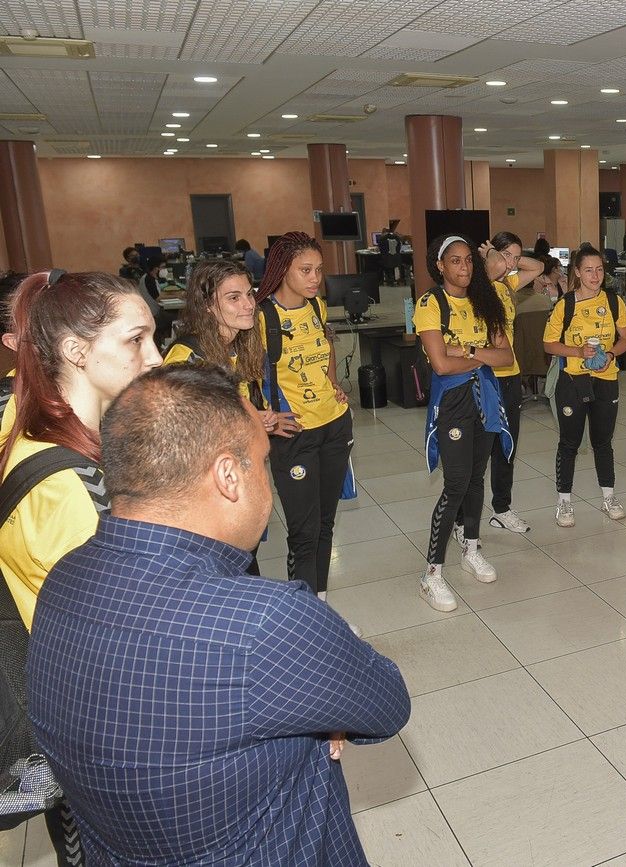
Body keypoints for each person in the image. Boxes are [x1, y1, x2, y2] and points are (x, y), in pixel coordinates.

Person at [25, 364, 410, 866]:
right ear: (229, 476)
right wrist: (321, 706)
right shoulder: (264, 624)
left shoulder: (62, 580)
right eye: (262, 461)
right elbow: (387, 703)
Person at [0, 270, 161, 864]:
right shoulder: (69, 486)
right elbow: (120, 646)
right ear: (74, 350)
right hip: (99, 719)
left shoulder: (21, 422)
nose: (156, 355)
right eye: (136, 339)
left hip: (58, 697)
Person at [413, 235, 514, 613]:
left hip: (486, 396)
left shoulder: (485, 300)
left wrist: (468, 352)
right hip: (452, 401)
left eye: (469, 260)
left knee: (476, 479)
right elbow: (440, 364)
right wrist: (480, 357)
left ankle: (471, 547)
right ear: (440, 265)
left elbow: (505, 355)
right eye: (455, 261)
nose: (465, 268)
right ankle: (432, 574)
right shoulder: (430, 303)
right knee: (455, 482)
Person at [164, 258, 282, 574]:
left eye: (249, 293)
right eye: (233, 298)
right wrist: (248, 423)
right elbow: (175, 437)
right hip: (204, 496)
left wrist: (259, 420)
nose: (248, 305)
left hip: (238, 483)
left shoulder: (241, 348)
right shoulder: (187, 358)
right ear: (207, 307)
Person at [253, 232, 352, 602]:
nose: (315, 278)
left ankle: (319, 606)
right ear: (282, 270)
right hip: (294, 434)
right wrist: (266, 415)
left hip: (333, 425)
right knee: (303, 531)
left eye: (319, 270)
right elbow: (242, 377)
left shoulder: (316, 307)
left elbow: (324, 347)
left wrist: (332, 381)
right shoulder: (261, 317)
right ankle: (303, 614)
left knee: (325, 524)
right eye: (305, 270)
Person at [543, 245, 626, 528]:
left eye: (600, 270)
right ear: (577, 273)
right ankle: (564, 502)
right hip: (572, 379)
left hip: (606, 379)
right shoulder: (565, 304)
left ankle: (609, 497)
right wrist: (578, 352)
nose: (595, 276)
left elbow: (625, 339)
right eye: (589, 270)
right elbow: (548, 344)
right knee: (569, 442)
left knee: (603, 442)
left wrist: (612, 355)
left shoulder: (615, 302)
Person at [462, 231, 543, 535]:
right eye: (505, 255)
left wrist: (510, 257)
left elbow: (535, 268)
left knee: (506, 446)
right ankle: (463, 520)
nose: (511, 263)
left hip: (511, 377)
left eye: (515, 256)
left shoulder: (508, 285)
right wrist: (490, 258)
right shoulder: (474, 288)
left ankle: (502, 508)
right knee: (477, 453)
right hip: (484, 378)